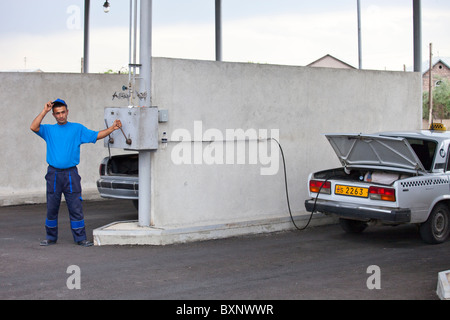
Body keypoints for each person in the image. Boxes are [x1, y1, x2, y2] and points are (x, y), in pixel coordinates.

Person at [30, 99, 122, 247]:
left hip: (71, 174)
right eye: (57, 113)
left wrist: (112, 128)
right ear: (53, 115)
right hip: (53, 174)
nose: (61, 115)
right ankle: (50, 237)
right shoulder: (48, 130)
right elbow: (33, 127)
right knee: (52, 207)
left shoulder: (77, 129)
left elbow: (95, 135)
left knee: (75, 206)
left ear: (67, 112)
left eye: (63, 112)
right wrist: (44, 111)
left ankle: (80, 238)